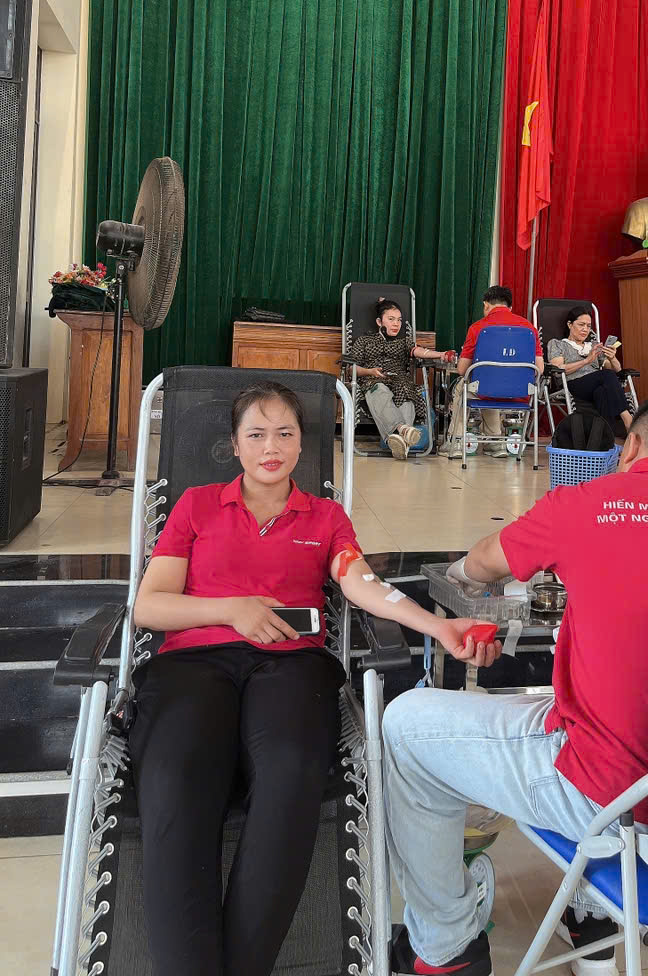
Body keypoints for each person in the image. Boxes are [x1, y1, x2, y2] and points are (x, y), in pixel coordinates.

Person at [383, 393, 648, 976]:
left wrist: (458, 578)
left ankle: (445, 949)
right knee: (599, 691)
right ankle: (592, 911)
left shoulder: (587, 502)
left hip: (612, 797)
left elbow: (482, 564)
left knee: (407, 725)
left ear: (631, 446)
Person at [130, 381, 499, 976]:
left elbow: (362, 584)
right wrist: (233, 609)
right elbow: (149, 606)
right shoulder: (197, 505)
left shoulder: (325, 517)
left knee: (292, 769)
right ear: (234, 445)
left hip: (291, 666)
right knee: (174, 776)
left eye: (285, 433)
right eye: (256, 434)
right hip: (193, 663)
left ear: (303, 444)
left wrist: (438, 626)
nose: (271, 447)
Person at [438, 285, 544, 459]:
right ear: (510, 307)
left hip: (485, 389)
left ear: (486, 305)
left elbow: (462, 369)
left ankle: (455, 442)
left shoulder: (478, 327)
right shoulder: (529, 328)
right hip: (521, 392)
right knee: (488, 386)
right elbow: (539, 368)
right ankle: (495, 442)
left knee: (466, 386)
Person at [349, 297, 455, 459]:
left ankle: (400, 442)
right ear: (379, 322)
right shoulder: (364, 341)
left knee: (406, 394)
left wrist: (441, 354)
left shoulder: (404, 342)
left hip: (399, 381)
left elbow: (419, 351)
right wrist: (370, 371)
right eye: (391, 319)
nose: (396, 324)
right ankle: (404, 430)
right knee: (380, 390)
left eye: (399, 320)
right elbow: (352, 368)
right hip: (373, 380)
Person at [547, 304, 632, 434]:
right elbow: (558, 370)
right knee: (606, 375)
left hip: (596, 383)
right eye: (581, 325)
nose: (585, 329)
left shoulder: (593, 346)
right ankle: (628, 420)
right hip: (573, 383)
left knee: (602, 392)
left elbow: (616, 369)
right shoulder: (557, 344)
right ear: (570, 324)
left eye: (588, 326)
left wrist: (612, 357)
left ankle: (604, 437)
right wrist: (586, 361)